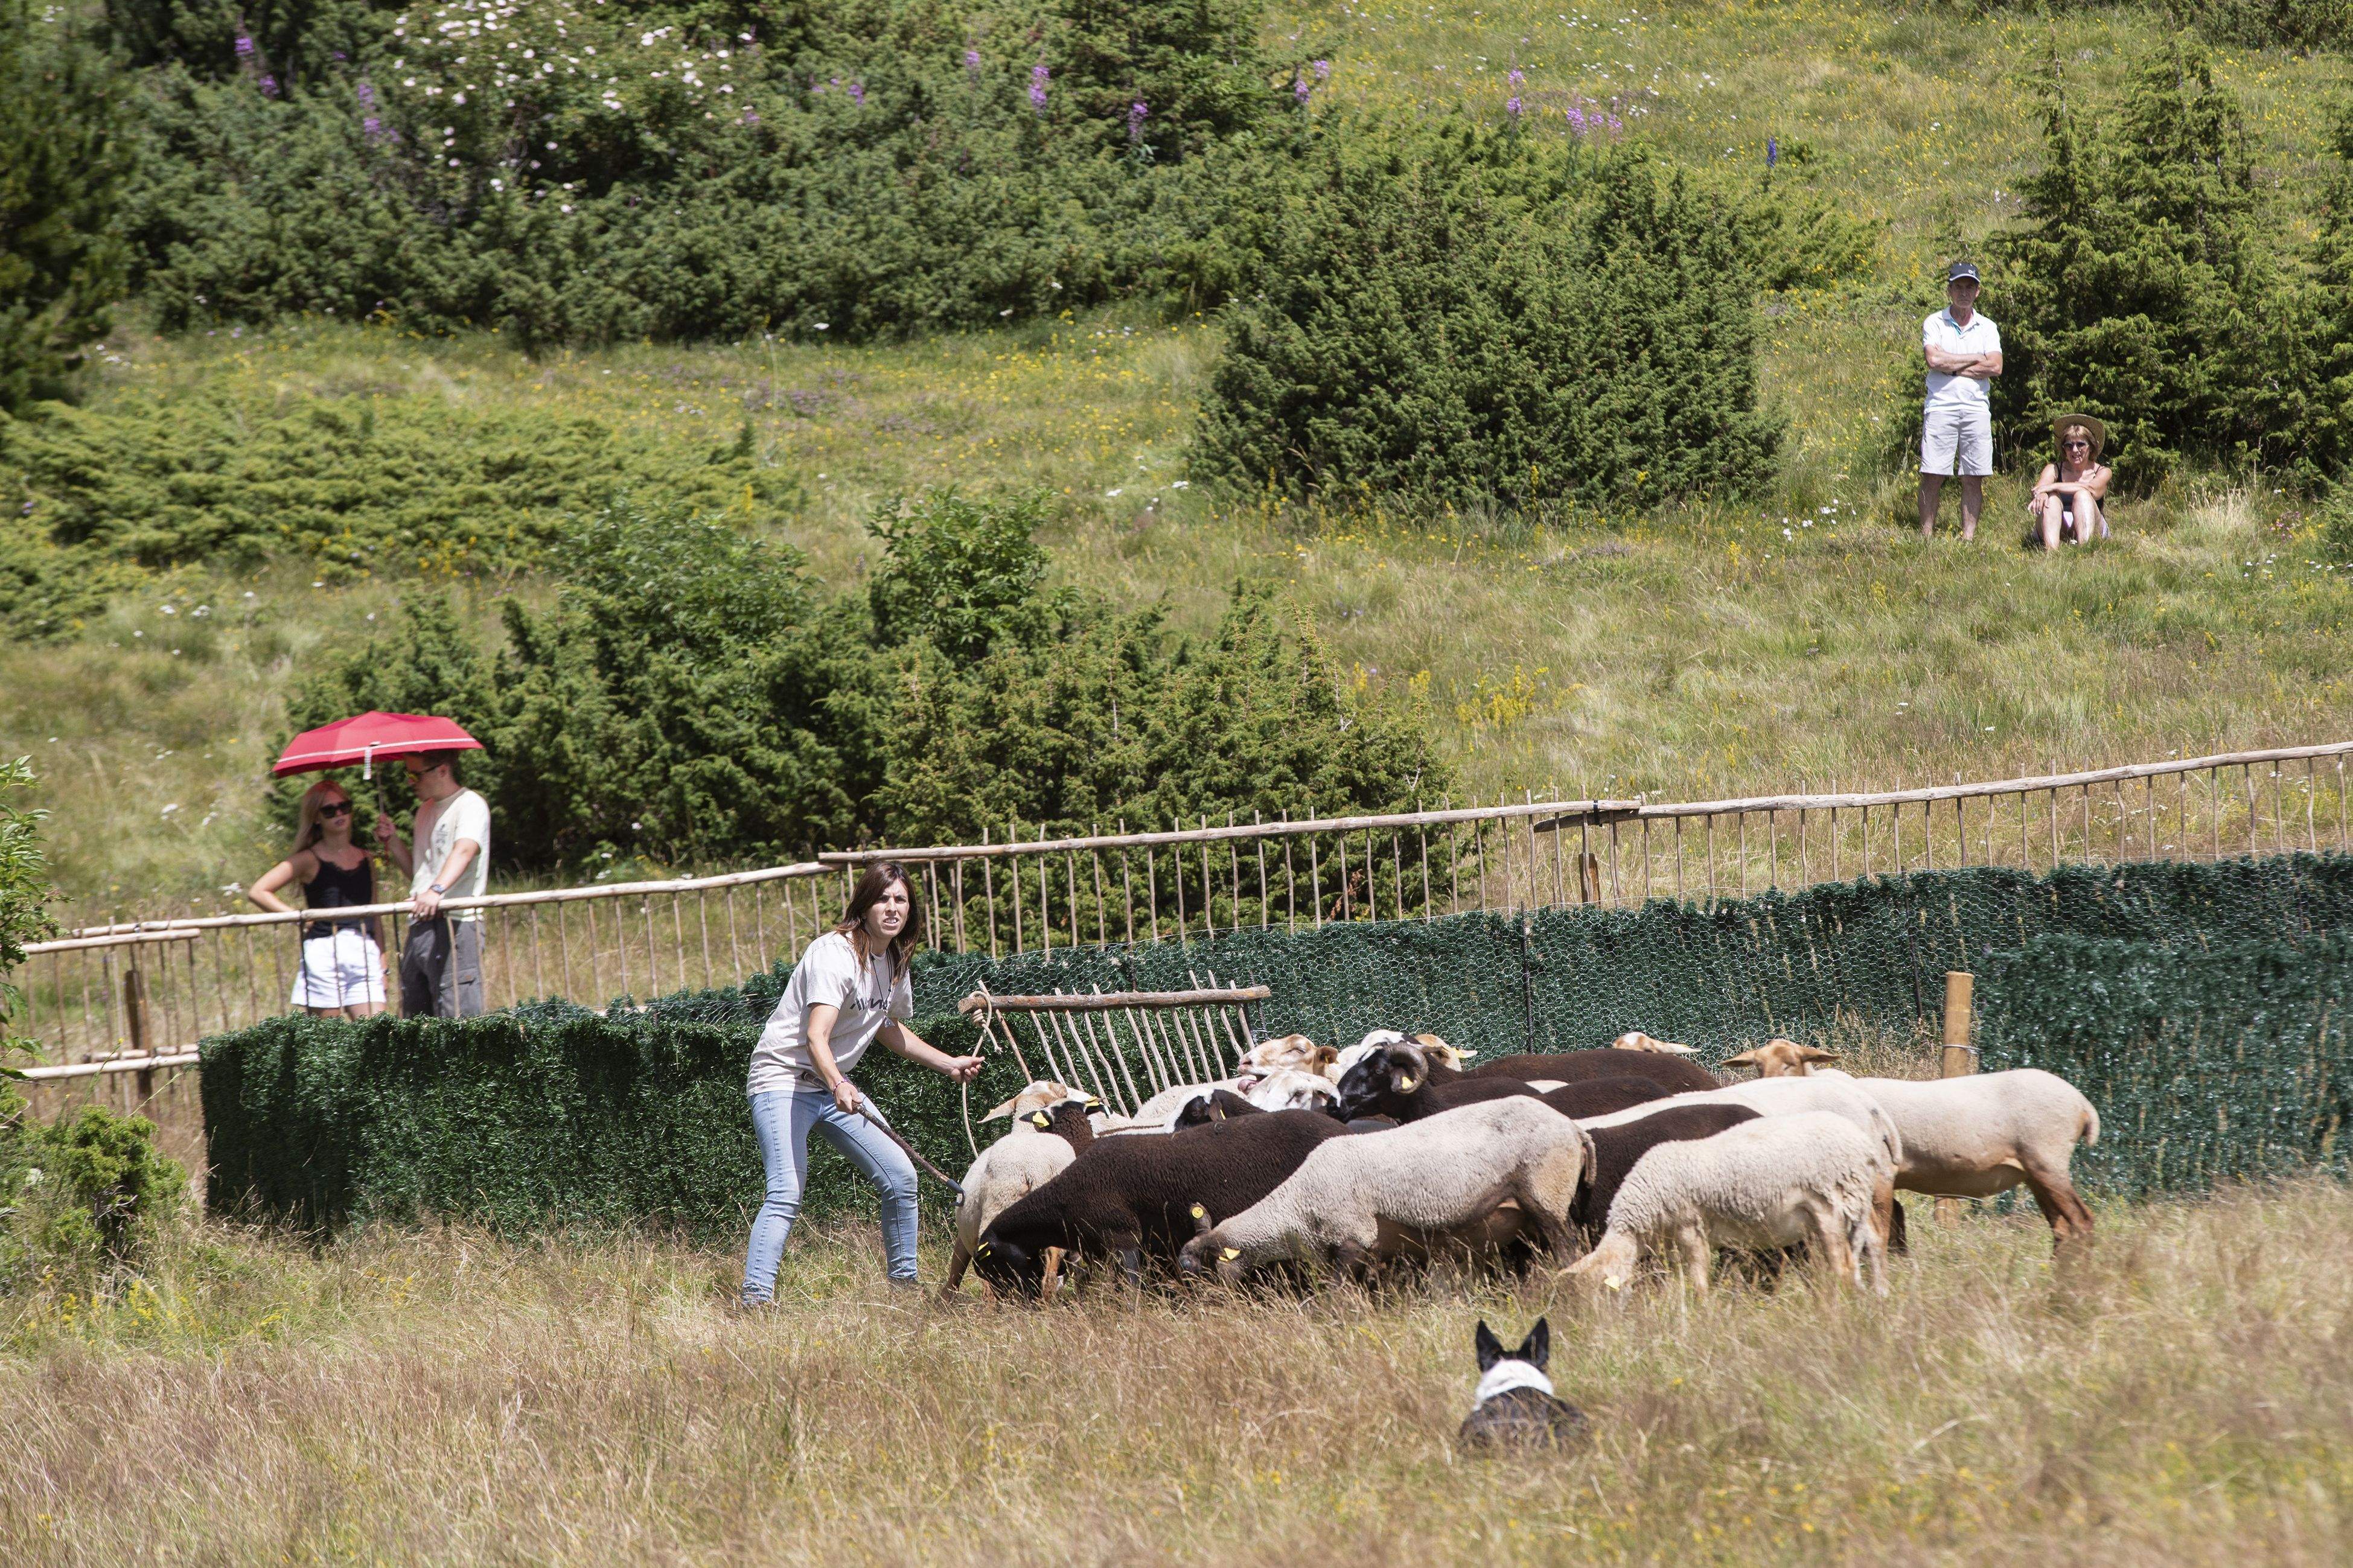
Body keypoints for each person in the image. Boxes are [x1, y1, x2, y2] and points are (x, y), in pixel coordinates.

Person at [741, 863, 983, 1302]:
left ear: (911, 909)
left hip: (830, 1085)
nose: (892, 908)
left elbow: (885, 1027)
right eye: (883, 899)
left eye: (901, 900)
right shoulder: (835, 953)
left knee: (900, 1176)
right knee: (786, 1192)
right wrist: (838, 1083)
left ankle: (903, 1292)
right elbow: (816, 1035)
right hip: (782, 1080)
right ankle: (755, 1302)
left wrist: (948, 1063)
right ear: (865, 905)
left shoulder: (893, 960)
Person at [247, 779, 386, 1018]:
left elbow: (374, 913)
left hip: (363, 948)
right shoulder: (308, 859)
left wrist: (383, 961)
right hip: (324, 949)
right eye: (329, 810)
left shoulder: (366, 858)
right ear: (316, 818)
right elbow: (259, 891)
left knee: (376, 1037)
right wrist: (298, 918)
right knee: (327, 1041)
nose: (339, 814)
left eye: (345, 806)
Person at [377, 749, 491, 1019]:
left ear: (442, 770)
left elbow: (465, 849)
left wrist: (436, 891)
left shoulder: (470, 804)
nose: (410, 782)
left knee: (458, 1017)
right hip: (421, 924)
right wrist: (392, 841)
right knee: (416, 1018)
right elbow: (420, 874)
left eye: (415, 774)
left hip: (457, 924)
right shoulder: (425, 810)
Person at [1919, 260, 2003, 540]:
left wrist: (1950, 365)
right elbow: (1933, 359)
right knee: (1932, 472)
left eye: (1970, 287)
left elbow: (1996, 367)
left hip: (1976, 408)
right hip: (1941, 406)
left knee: (1974, 475)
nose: (1964, 293)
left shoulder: (1987, 327)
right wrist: (1974, 358)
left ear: (1978, 292)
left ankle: (1968, 539)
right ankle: (1926, 536)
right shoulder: (1935, 322)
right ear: (1949, 290)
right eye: (1958, 287)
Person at [2026, 413, 2112, 549]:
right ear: (2064, 449)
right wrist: (2042, 494)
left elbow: (2093, 490)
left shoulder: (2103, 471)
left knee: (2082, 495)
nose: (2075, 450)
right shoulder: (2053, 468)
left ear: (2091, 446)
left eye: (2081, 444)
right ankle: (2052, 553)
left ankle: (2086, 549)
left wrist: (2053, 486)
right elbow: (2039, 488)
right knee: (2051, 498)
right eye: (2069, 445)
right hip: (2059, 525)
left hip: (2092, 524)